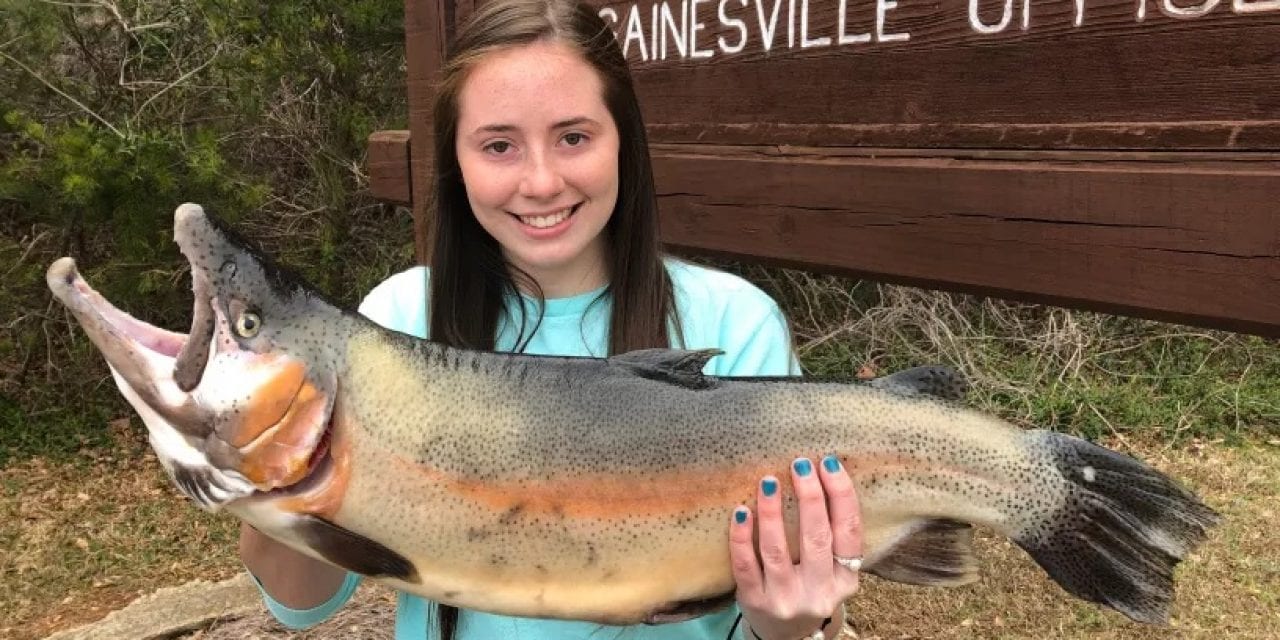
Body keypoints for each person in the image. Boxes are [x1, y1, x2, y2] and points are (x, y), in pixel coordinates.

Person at [238, 1, 864, 638]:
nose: (540, 182)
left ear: (625, 141)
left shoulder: (735, 324)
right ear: (456, 160)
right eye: (499, 145)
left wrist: (790, 619)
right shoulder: (395, 322)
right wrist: (266, 472)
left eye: (573, 137)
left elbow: (812, 623)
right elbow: (301, 602)